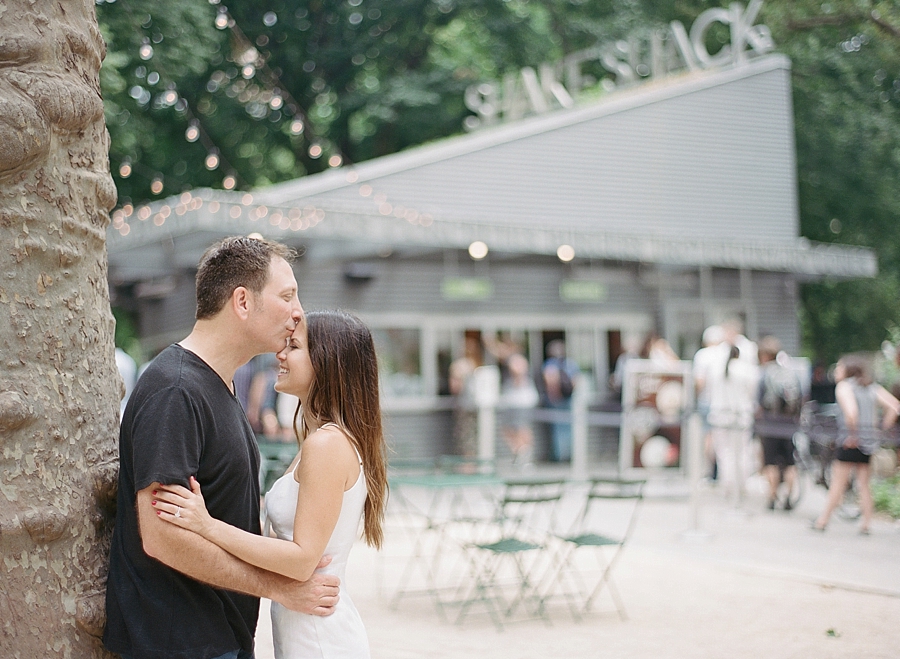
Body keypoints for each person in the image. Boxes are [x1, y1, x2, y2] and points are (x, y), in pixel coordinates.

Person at [103, 236, 340, 659]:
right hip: (179, 643)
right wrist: (280, 588)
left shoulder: (217, 384)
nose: (298, 312)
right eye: (287, 296)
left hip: (216, 639)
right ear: (243, 302)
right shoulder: (175, 391)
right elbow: (162, 539)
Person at [154, 310, 388, 658]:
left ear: (326, 362)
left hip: (320, 638)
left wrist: (207, 526)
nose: (280, 353)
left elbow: (301, 560)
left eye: (293, 346)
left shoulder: (327, 445)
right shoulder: (320, 439)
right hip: (305, 629)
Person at [812, 355, 899, 534]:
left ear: (848, 370)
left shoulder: (844, 387)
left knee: (838, 482)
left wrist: (853, 435)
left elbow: (851, 413)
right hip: (869, 442)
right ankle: (866, 523)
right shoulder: (871, 387)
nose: (836, 371)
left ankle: (823, 520)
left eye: (839, 368)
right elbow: (895, 407)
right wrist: (881, 430)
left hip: (850, 441)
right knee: (864, 484)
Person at [707, 343, 759, 506]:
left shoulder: (716, 370)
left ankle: (727, 485)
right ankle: (740, 484)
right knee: (742, 452)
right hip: (741, 417)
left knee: (724, 453)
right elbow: (751, 393)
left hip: (720, 416)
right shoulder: (747, 370)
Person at [755, 336, 804, 511]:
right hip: (789, 425)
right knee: (790, 462)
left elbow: (759, 402)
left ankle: (772, 496)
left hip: (770, 424)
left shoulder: (764, 374)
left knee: (771, 462)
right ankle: (789, 497)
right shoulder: (791, 373)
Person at [499, 352, 540, 468]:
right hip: (511, 406)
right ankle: (520, 452)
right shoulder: (509, 379)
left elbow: (519, 374)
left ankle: (526, 456)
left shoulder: (521, 375)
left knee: (522, 429)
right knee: (509, 430)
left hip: (521, 405)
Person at [542, 339, 580, 462]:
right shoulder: (570, 363)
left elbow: (550, 381)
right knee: (569, 428)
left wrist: (554, 397)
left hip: (557, 401)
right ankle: (569, 454)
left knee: (558, 429)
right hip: (568, 400)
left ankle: (560, 456)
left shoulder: (550, 364)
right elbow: (576, 380)